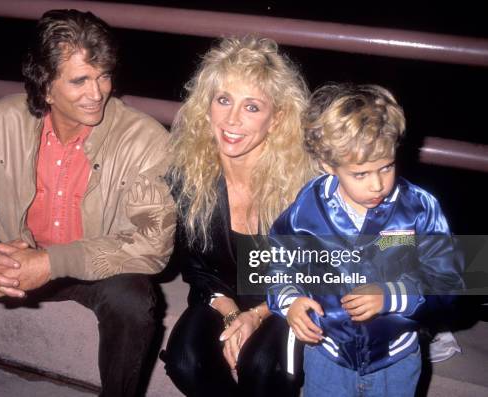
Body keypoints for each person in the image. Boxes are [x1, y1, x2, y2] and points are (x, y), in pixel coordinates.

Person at [0, 9, 174, 397]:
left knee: (131, 299)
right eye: (80, 80)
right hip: (14, 256)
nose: (98, 93)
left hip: (89, 264)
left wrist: (51, 263)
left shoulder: (145, 140)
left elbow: (152, 242)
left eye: (103, 75)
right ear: (45, 87)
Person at [267, 84, 465, 396]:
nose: (377, 185)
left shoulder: (421, 207)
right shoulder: (307, 206)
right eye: (360, 174)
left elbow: (451, 282)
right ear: (327, 165)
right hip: (327, 355)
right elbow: (279, 260)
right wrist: (289, 301)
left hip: (396, 360)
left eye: (386, 167)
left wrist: (392, 295)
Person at [162, 36, 317, 396]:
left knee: (262, 366)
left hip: (285, 299)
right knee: (185, 360)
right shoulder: (190, 173)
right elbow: (197, 268)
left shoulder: (303, 183)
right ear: (207, 106)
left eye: (252, 107)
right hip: (222, 295)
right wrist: (233, 315)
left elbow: (315, 270)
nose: (232, 120)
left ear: (276, 119)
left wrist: (257, 315)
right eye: (224, 100)